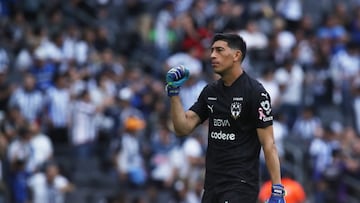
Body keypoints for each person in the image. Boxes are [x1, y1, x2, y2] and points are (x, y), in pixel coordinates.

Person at [165, 33, 285, 203]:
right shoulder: (210, 92)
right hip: (212, 185)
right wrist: (174, 94)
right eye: (212, 50)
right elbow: (182, 128)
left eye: (219, 50)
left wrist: (277, 189)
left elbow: (269, 143)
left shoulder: (255, 92)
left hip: (240, 186)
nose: (213, 55)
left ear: (237, 55)